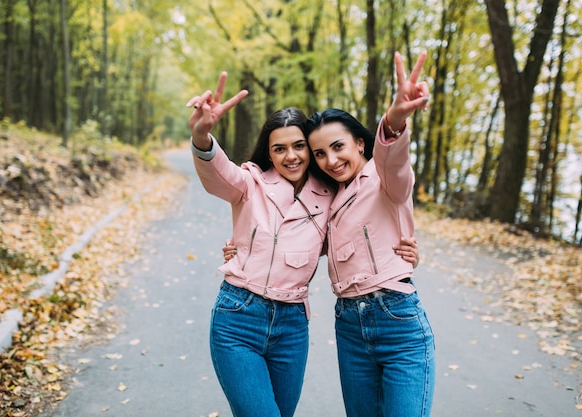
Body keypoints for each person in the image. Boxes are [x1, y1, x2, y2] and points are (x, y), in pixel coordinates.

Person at [186, 72, 417, 417]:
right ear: (269, 151)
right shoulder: (249, 183)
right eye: (279, 149)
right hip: (238, 317)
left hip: (292, 326)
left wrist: (403, 249)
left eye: (299, 147)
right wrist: (202, 134)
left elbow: (360, 228)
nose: (291, 156)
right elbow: (218, 174)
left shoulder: (330, 198)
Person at [305, 51, 435, 417]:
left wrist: (394, 120)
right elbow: (299, 242)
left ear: (360, 143)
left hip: (397, 322)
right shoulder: (329, 199)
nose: (330, 160)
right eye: (319, 154)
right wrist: (242, 249)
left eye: (338, 146)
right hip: (349, 326)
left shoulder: (382, 178)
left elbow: (395, 162)